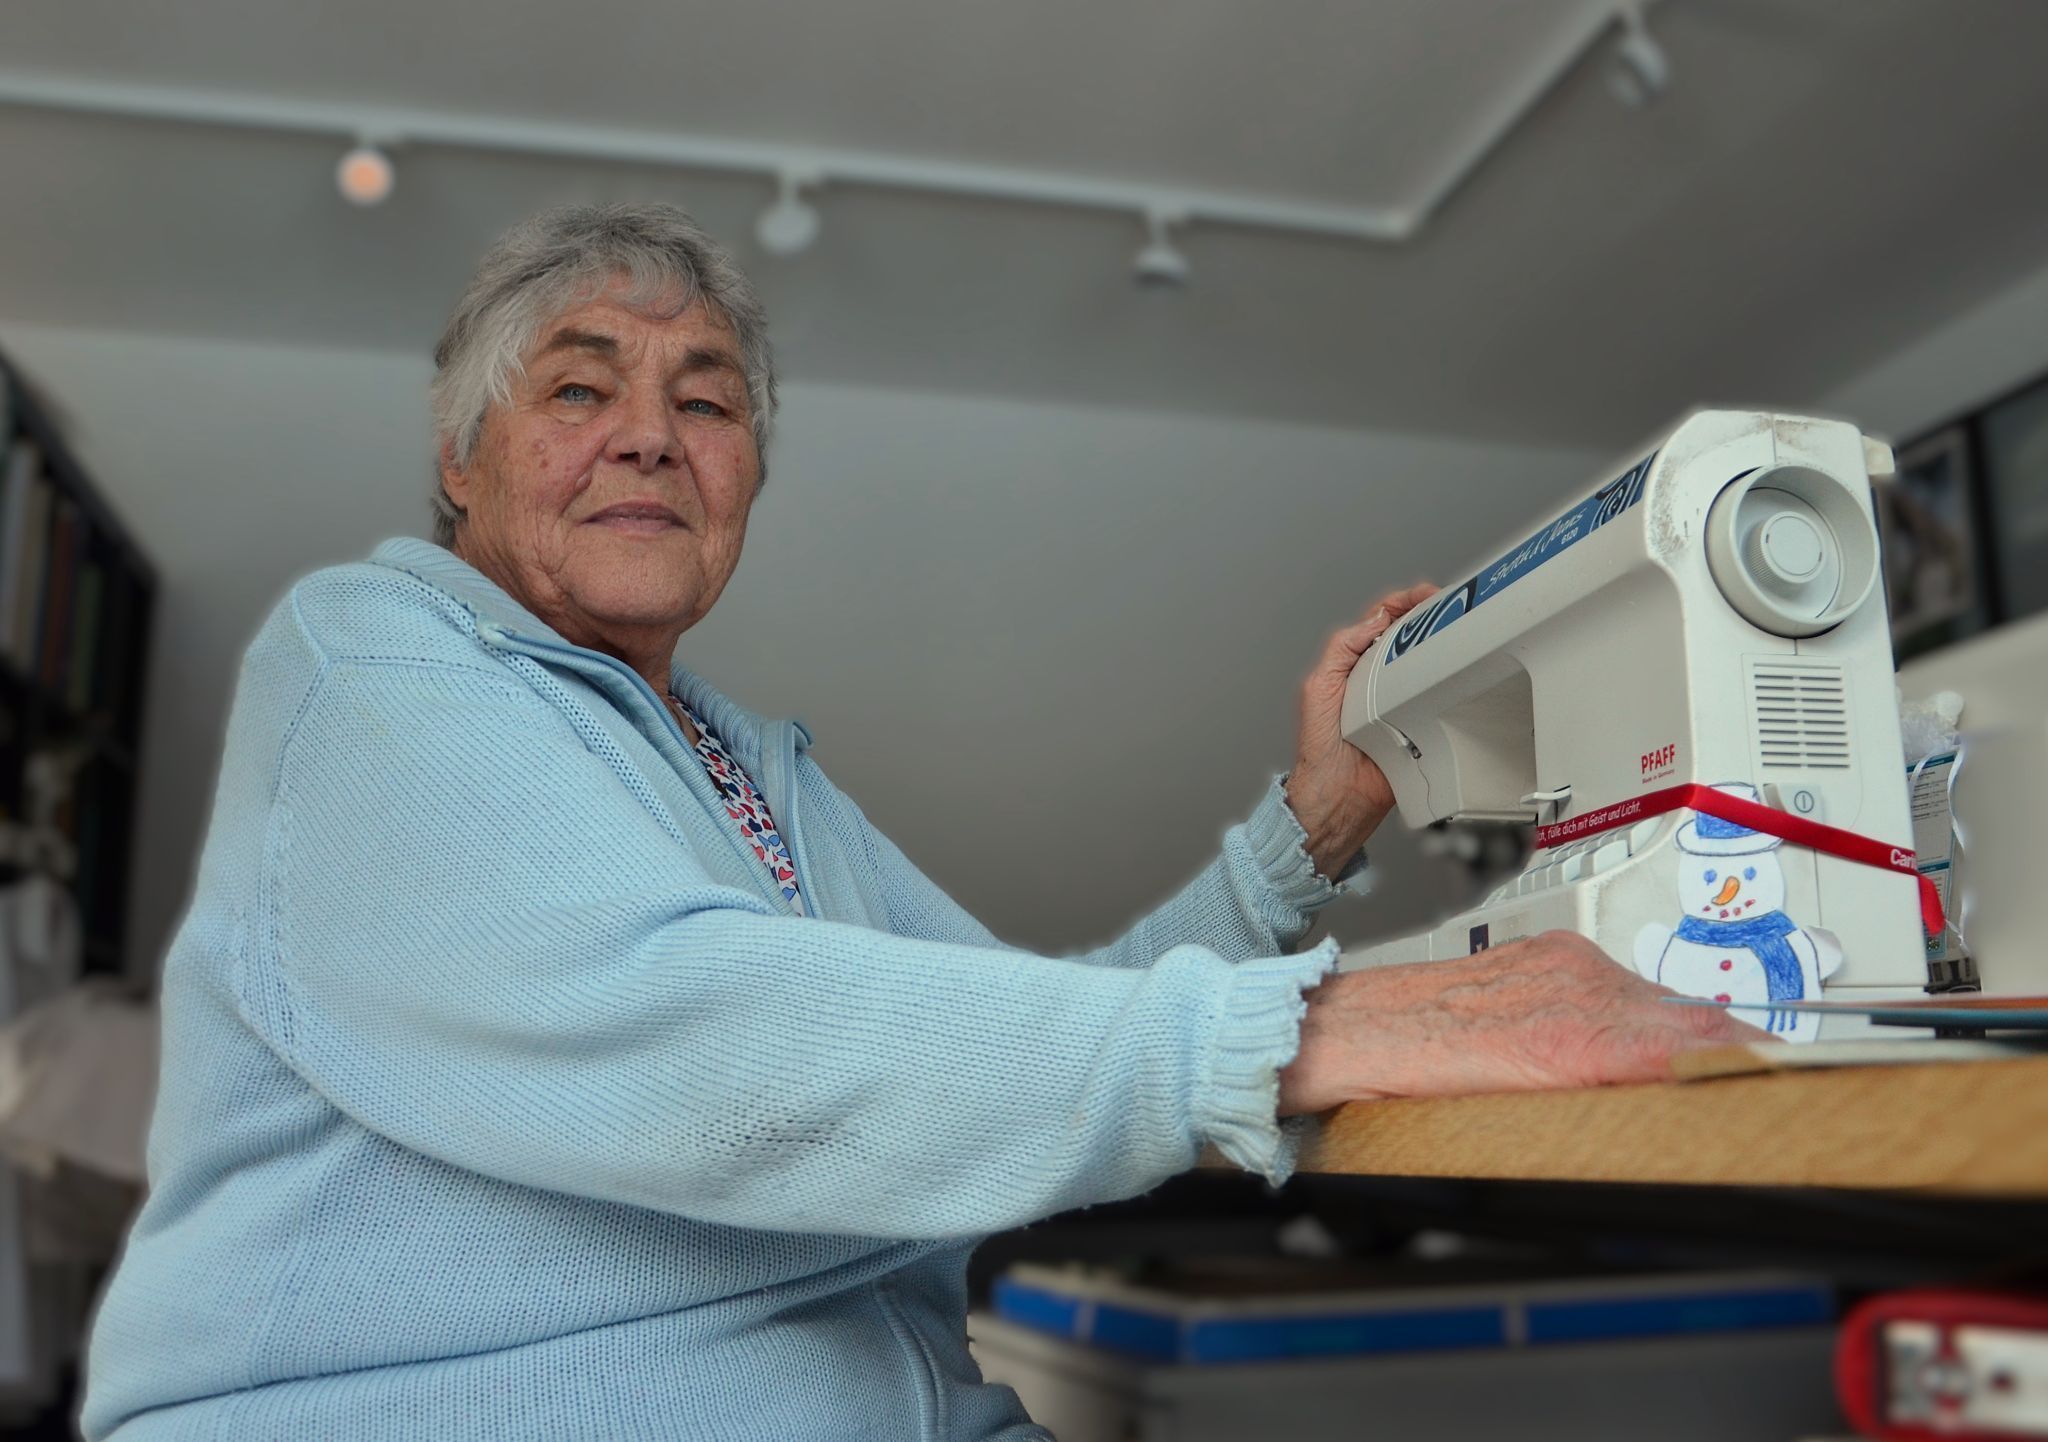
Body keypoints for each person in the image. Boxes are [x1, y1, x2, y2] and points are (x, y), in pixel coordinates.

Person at [83, 203, 1760, 1441]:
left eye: (711, 399)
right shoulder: (371, 660)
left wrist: (1311, 823)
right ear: (463, 463)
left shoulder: (744, 759)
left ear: (748, 474)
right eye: (581, 390)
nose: (653, 437)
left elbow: (1011, 1037)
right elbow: (697, 1040)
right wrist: (1332, 1021)